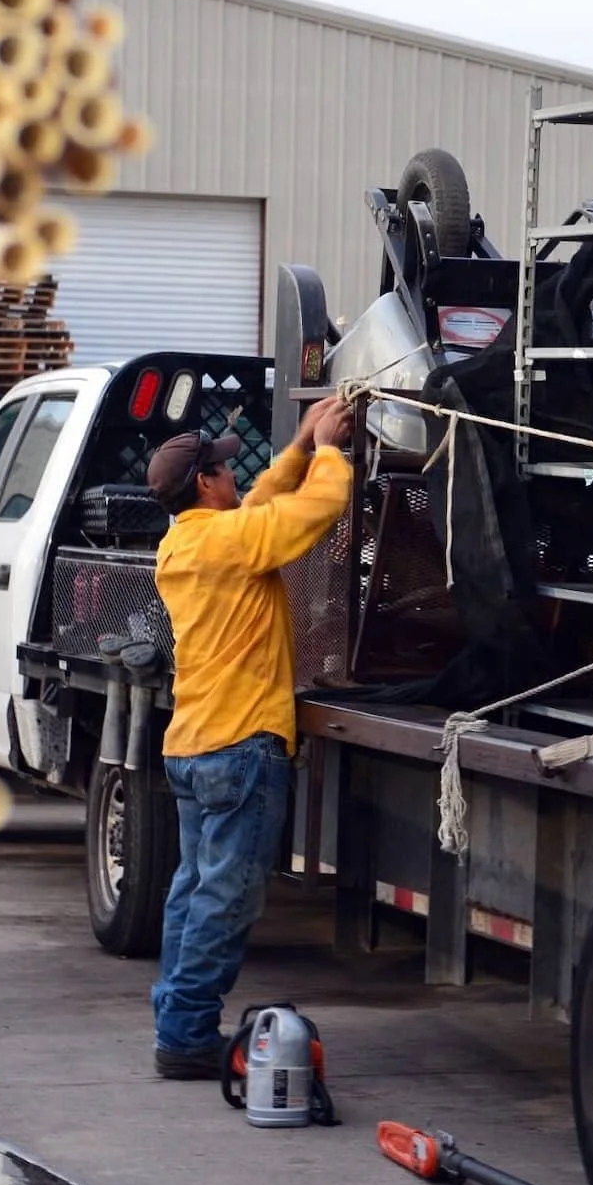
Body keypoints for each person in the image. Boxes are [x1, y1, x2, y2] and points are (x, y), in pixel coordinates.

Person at [144, 394, 357, 1078]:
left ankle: (177, 1019)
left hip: (193, 744)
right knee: (224, 899)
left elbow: (263, 504)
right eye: (223, 470)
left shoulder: (186, 541)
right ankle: (184, 1036)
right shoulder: (230, 542)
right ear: (204, 484)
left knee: (191, 892)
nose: (234, 476)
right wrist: (328, 453)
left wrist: (299, 440)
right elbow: (307, 516)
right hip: (243, 746)